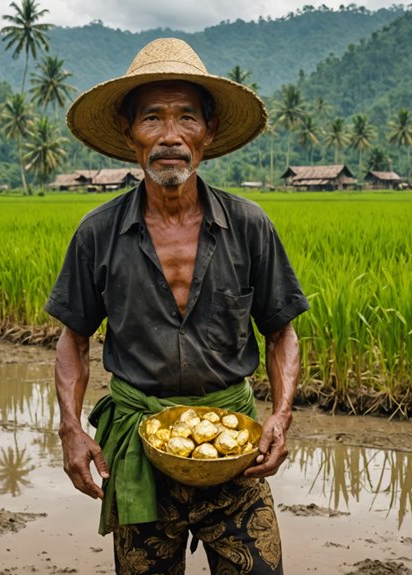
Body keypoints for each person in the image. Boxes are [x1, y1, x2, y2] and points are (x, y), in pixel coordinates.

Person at [46, 37, 309, 574]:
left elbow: (281, 332)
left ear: (208, 133)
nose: (170, 137)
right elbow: (72, 337)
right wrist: (70, 428)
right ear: (129, 132)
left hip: (234, 450)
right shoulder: (98, 233)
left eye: (187, 118)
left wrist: (280, 417)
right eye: (152, 119)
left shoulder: (249, 226)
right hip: (140, 452)